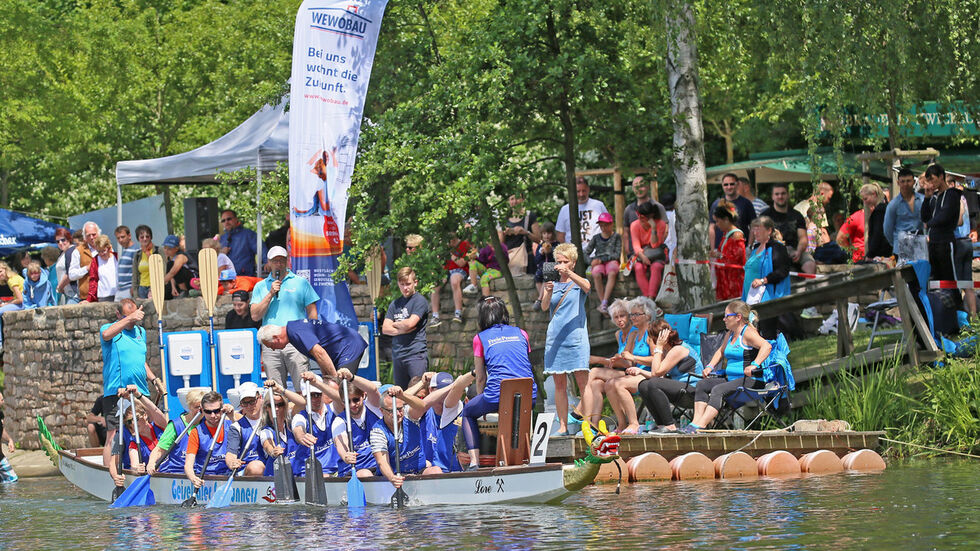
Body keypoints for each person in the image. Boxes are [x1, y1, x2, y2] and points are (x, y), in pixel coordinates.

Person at [461, 296, 537, 470]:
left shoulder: (479, 338)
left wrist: (482, 406)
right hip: (528, 395)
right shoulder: (522, 333)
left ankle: (474, 462)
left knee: (467, 412)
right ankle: (524, 459)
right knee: (515, 406)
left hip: (498, 396)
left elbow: (480, 378)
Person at [681, 301, 771, 433]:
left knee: (718, 389)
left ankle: (701, 426)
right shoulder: (730, 333)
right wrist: (710, 367)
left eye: (727, 316)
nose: (724, 319)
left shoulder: (748, 333)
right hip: (732, 380)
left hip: (751, 381)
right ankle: (695, 422)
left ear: (738, 317)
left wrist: (754, 364)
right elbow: (720, 352)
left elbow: (766, 346)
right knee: (702, 384)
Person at [99, 298, 165, 468]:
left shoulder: (140, 332)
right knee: (114, 434)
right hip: (117, 391)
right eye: (129, 317)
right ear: (118, 314)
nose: (134, 321)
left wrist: (154, 379)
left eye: (136, 316)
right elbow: (106, 335)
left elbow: (140, 360)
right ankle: (109, 472)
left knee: (146, 428)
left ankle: (148, 466)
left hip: (140, 392)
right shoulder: (109, 330)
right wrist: (130, 318)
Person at [250, 246, 319, 388]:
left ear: (288, 261)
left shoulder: (301, 282)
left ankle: (305, 410)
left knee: (303, 386)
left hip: (296, 341)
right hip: (271, 343)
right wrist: (270, 294)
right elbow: (255, 316)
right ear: (268, 263)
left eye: (282, 260)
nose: (279, 264)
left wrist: (310, 336)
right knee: (276, 390)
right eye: (275, 261)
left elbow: (312, 311)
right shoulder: (260, 286)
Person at [541, 243, 590, 435]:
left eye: (565, 262)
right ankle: (562, 427)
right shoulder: (552, 282)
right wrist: (548, 291)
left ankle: (587, 424)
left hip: (576, 339)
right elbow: (545, 307)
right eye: (558, 261)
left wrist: (569, 274)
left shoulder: (578, 282)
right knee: (559, 384)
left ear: (573, 263)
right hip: (555, 339)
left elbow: (587, 286)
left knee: (583, 384)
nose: (561, 265)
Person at [631, 321, 704, 433]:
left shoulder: (678, 349)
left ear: (657, 338)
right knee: (643, 385)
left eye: (650, 338)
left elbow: (656, 374)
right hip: (679, 388)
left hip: (693, 390)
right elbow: (658, 374)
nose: (649, 341)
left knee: (653, 383)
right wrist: (640, 371)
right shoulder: (668, 350)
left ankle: (670, 426)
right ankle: (661, 424)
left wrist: (658, 347)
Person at [605, 297, 658, 434]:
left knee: (619, 384)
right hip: (636, 374)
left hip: (650, 376)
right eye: (632, 314)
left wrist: (634, 358)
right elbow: (628, 359)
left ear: (647, 316)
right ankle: (622, 423)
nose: (632, 317)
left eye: (636, 314)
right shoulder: (635, 334)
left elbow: (656, 359)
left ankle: (634, 423)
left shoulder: (651, 333)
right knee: (609, 384)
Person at [370, 385, 438, 487]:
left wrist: (403, 395)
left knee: (436, 470)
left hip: (418, 471)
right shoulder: (377, 431)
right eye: (391, 411)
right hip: (393, 476)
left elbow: (422, 406)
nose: (397, 414)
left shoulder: (409, 416)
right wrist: (393, 478)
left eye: (399, 409)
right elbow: (382, 462)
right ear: (382, 411)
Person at [258, 317, 367, 380]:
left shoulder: (295, 332)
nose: (273, 350)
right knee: (336, 388)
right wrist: (327, 379)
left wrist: (334, 380)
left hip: (349, 346)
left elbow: (321, 354)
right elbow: (319, 357)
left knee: (343, 386)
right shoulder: (293, 332)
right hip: (344, 346)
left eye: (271, 346)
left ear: (276, 338)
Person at [582, 299, 633, 427]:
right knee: (596, 384)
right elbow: (618, 360)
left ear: (629, 316)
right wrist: (609, 362)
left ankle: (580, 410)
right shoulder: (618, 334)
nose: (619, 320)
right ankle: (593, 426)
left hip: (632, 373)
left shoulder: (634, 332)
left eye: (622, 316)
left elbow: (628, 363)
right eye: (616, 317)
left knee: (594, 371)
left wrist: (600, 360)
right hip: (621, 372)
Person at [410, 371, 470, 473]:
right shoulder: (421, 413)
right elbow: (400, 400)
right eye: (441, 392)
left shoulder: (463, 412)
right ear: (430, 390)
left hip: (458, 473)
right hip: (428, 473)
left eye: (449, 392)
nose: (444, 397)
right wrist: (421, 382)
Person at [743, 217, 791, 339]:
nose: (755, 232)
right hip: (751, 297)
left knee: (768, 335)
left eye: (759, 228)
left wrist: (763, 280)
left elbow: (782, 271)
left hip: (767, 298)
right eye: (754, 228)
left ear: (769, 230)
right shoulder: (755, 248)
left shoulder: (777, 248)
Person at [331, 369, 384, 479]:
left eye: (356, 400)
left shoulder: (373, 407)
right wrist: (346, 456)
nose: (352, 405)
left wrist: (352, 378)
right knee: (365, 474)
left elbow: (373, 389)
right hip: (354, 470)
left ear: (363, 395)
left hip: (378, 466)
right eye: (347, 401)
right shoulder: (339, 421)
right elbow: (341, 444)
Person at [383, 267, 430, 388]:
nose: (405, 288)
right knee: (401, 396)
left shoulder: (420, 301)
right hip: (398, 355)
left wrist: (396, 324)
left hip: (415, 354)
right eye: (402, 284)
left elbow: (410, 324)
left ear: (415, 282)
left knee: (419, 392)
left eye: (408, 284)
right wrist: (402, 328)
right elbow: (385, 328)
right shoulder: (395, 303)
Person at [146, 388, 207, 475]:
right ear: (189, 406)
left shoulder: (208, 423)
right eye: (196, 407)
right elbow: (160, 449)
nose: (199, 411)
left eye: (202, 408)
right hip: (178, 472)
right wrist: (151, 463)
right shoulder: (176, 425)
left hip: (199, 472)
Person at [922, 164, 963, 291]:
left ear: (941, 177)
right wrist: (927, 198)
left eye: (933, 179)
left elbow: (945, 216)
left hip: (945, 241)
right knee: (936, 279)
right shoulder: (934, 198)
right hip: (933, 242)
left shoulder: (951, 195)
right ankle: (941, 306)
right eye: (928, 181)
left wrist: (929, 224)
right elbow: (925, 217)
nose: (931, 184)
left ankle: (957, 306)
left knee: (949, 277)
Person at [291, 372, 341, 476]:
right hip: (309, 471)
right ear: (304, 397)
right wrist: (302, 436)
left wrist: (316, 383)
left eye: (317, 395)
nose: (314, 399)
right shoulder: (300, 417)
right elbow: (298, 429)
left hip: (335, 470)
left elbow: (341, 399)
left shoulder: (333, 409)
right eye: (310, 396)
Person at [760, 183, 814, 274]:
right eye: (777, 194)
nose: (780, 196)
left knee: (810, 264)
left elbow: (803, 238)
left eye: (783, 193)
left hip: (794, 249)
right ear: (772, 196)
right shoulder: (765, 216)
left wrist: (799, 251)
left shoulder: (797, 215)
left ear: (788, 195)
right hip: (772, 251)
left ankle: (809, 287)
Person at [185, 391, 233, 485]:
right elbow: (188, 465)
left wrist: (232, 416)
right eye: (208, 412)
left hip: (228, 476)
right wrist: (193, 478)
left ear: (222, 409)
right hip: (205, 478)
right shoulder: (196, 432)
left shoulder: (232, 426)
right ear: (202, 410)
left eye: (216, 411)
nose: (213, 415)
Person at [119, 385, 169, 473]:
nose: (133, 423)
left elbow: (154, 410)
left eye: (136, 418)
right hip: (157, 475)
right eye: (129, 421)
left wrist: (138, 395)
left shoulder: (159, 426)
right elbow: (134, 465)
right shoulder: (134, 443)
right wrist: (136, 469)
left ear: (145, 415)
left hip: (174, 470)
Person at [224, 382, 268, 476]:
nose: (249, 406)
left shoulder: (272, 420)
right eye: (245, 403)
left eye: (252, 401)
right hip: (248, 471)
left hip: (271, 469)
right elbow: (231, 454)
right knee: (256, 467)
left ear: (260, 398)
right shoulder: (236, 427)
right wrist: (231, 462)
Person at [883, 168, 924, 261]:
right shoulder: (893, 205)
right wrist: (897, 243)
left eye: (908, 181)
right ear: (898, 183)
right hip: (900, 249)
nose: (905, 184)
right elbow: (887, 229)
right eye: (903, 181)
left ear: (914, 182)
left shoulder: (922, 200)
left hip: (919, 247)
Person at [584, 212, 622, 314]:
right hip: (598, 262)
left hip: (611, 261)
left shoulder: (616, 237)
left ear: (611, 224)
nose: (603, 228)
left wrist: (602, 260)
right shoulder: (596, 238)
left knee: (612, 272)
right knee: (596, 273)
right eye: (601, 225)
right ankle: (603, 303)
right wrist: (591, 261)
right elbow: (586, 252)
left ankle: (605, 301)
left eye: (606, 225)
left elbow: (617, 254)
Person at [630, 202, 668, 298]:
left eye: (643, 217)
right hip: (641, 255)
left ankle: (651, 297)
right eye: (639, 216)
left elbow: (655, 245)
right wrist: (643, 257)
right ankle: (647, 298)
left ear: (651, 216)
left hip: (657, 254)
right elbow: (636, 245)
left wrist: (653, 228)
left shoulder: (661, 224)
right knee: (638, 268)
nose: (640, 219)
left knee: (656, 267)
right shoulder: (634, 225)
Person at [623, 176, 668, 257]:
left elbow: (666, 229)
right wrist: (627, 249)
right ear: (633, 189)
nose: (639, 189)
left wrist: (657, 243)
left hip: (654, 251)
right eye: (636, 186)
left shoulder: (658, 207)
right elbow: (626, 230)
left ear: (648, 187)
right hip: (634, 252)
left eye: (641, 186)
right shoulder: (628, 209)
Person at [555, 177, 609, 245]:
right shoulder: (565, 210)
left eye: (584, 191)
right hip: (573, 253)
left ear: (588, 189)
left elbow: (608, 228)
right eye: (578, 191)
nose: (581, 194)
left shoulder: (599, 206)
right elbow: (560, 235)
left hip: (596, 253)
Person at [430, 235, 470, 325]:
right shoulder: (443, 246)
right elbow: (441, 266)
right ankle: (435, 316)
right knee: (435, 285)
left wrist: (451, 253)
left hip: (459, 270)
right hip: (446, 271)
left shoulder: (464, 244)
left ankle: (458, 313)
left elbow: (462, 263)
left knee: (454, 281)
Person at [710, 173, 756, 249]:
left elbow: (753, 225)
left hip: (740, 247)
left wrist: (749, 247)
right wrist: (712, 249)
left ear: (737, 184)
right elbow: (712, 227)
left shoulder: (746, 203)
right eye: (726, 184)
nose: (729, 187)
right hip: (720, 248)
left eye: (732, 184)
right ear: (722, 185)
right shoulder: (716, 204)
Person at [711, 201, 746, 301]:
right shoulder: (726, 234)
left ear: (726, 220)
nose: (716, 224)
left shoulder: (737, 236)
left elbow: (734, 259)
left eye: (718, 221)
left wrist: (720, 256)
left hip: (734, 283)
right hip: (725, 282)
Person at [498, 194, 541, 275]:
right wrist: (504, 233)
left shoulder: (529, 216)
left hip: (527, 259)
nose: (514, 202)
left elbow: (538, 239)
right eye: (512, 199)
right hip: (510, 260)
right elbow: (500, 244)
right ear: (508, 201)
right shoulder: (504, 218)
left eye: (517, 198)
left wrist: (526, 232)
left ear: (523, 199)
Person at [218, 209, 258, 277]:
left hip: (244, 278)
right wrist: (221, 253)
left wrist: (267, 262)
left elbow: (262, 251)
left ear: (236, 219)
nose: (226, 222)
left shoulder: (248, 234)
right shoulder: (222, 238)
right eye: (223, 220)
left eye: (229, 219)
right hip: (226, 280)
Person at [67, 221, 99, 302]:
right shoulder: (78, 251)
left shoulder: (107, 248)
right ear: (85, 237)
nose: (92, 237)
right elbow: (71, 275)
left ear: (98, 234)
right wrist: (87, 268)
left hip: (104, 295)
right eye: (89, 235)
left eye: (94, 234)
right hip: (86, 298)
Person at [532, 222, 559, 311]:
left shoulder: (556, 244)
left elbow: (557, 258)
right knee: (537, 276)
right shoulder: (541, 245)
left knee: (547, 274)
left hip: (553, 268)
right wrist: (541, 253)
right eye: (544, 233)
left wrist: (550, 252)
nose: (546, 236)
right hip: (542, 267)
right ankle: (544, 298)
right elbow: (536, 260)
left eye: (549, 233)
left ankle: (540, 299)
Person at [0, 262, 25, 350]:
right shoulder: (14, 277)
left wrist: (6, 304)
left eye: (0, 271)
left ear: (6, 269)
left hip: (24, 304)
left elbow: (20, 299)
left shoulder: (11, 280)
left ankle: (0, 343)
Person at [87, 234, 118, 302]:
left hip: (118, 294)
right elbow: (93, 280)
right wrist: (89, 298)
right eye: (98, 251)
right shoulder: (95, 260)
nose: (101, 254)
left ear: (109, 248)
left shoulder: (116, 257)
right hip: (104, 296)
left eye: (103, 251)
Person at [130, 225, 158, 299]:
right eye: (142, 237)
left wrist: (154, 289)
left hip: (154, 288)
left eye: (147, 236)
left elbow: (162, 271)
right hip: (141, 288)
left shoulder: (158, 251)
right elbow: (135, 275)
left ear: (151, 237)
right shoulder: (138, 254)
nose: (145, 239)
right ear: (138, 239)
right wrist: (136, 295)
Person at [161, 235, 193, 299]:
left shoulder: (180, 256)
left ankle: (184, 291)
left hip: (192, 280)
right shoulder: (170, 257)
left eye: (169, 249)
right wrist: (173, 287)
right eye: (165, 248)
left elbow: (173, 272)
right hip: (179, 281)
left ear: (176, 248)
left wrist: (158, 283)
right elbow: (172, 275)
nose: (166, 250)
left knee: (172, 266)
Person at [114, 226, 140, 301]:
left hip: (129, 290)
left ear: (129, 236)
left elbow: (138, 270)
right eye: (118, 238)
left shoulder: (136, 250)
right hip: (120, 290)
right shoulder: (124, 250)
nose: (120, 240)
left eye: (122, 237)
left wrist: (134, 288)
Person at [55, 228, 81, 304]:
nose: (60, 243)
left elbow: (70, 273)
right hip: (67, 294)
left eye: (63, 240)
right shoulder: (63, 253)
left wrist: (60, 287)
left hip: (74, 295)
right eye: (57, 241)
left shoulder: (71, 251)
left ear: (69, 239)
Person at [0, 391, 17, 483]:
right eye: (1, 400)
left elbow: (1, 430)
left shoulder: (0, 414)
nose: (3, 402)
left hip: (0, 458)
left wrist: (9, 440)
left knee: (12, 481)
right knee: (12, 481)